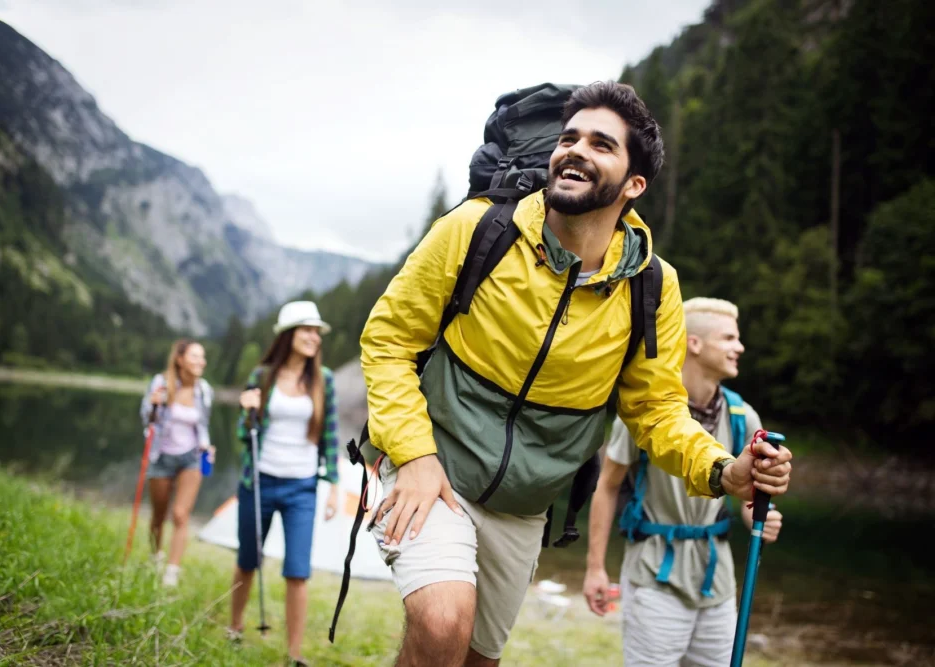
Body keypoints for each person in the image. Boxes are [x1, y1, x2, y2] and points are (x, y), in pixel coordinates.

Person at [356, 80, 793, 667]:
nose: (575, 150)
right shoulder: (477, 228)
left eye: (601, 143)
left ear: (634, 185)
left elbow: (657, 411)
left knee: (477, 659)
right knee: (441, 624)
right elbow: (388, 340)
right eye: (569, 137)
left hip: (523, 506)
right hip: (436, 468)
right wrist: (413, 455)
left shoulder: (651, 286)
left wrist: (723, 470)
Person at [583, 296, 785, 666]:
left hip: (717, 581)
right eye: (728, 338)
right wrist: (596, 567)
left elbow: (748, 497)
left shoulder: (743, 416)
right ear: (694, 343)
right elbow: (607, 484)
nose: (739, 347)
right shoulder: (647, 413)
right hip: (654, 574)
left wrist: (756, 515)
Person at [227, 300, 340, 667]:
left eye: (316, 331)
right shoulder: (262, 377)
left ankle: (294, 655)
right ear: (289, 334)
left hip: (302, 488)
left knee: (297, 570)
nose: (313, 337)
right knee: (247, 560)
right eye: (306, 329)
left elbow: (331, 435)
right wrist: (246, 412)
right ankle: (235, 626)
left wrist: (334, 485)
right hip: (258, 482)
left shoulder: (324, 381)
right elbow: (245, 436)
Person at [139, 338, 214, 588]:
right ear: (180, 359)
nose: (200, 361)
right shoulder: (161, 383)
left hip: (191, 458)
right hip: (161, 456)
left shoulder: (204, 390)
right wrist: (154, 404)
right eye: (194, 356)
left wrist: (207, 445)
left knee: (181, 514)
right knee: (158, 515)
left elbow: (203, 424)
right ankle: (155, 556)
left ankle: (172, 571)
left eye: (202, 357)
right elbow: (146, 418)